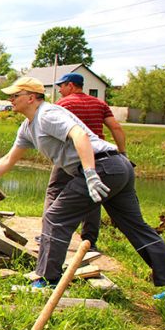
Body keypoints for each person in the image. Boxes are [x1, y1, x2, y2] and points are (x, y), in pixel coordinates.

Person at [0, 76, 165, 301]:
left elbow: (79, 135)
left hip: (104, 166)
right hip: (115, 167)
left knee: (56, 217)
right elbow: (8, 159)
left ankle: (47, 279)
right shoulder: (27, 127)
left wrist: (91, 174)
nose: (11, 99)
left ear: (31, 97)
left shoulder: (48, 114)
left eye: (15, 95)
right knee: (135, 226)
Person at [45, 72, 127, 250]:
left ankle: (47, 233)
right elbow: (115, 126)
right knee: (93, 195)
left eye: (61, 86)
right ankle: (89, 240)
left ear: (71, 85)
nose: (59, 90)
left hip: (71, 156)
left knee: (54, 191)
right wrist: (122, 152)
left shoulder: (63, 105)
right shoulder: (99, 104)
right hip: (97, 157)